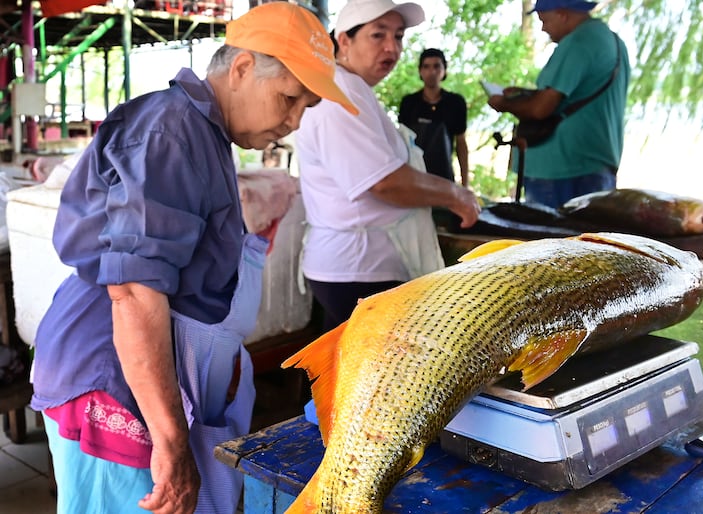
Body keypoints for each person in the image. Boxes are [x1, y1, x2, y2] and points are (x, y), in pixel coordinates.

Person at [29, 3, 357, 514]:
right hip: (112, 372)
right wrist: (172, 442)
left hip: (136, 369)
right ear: (243, 68)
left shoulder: (203, 133)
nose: (292, 122)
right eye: (289, 99)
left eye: (304, 109)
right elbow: (135, 292)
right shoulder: (172, 131)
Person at [295, 0, 481, 332]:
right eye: (378, 35)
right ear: (344, 40)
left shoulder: (355, 89)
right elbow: (385, 182)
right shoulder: (338, 94)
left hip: (366, 265)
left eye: (398, 36)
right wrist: (455, 195)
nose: (391, 48)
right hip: (356, 269)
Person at [488, 0, 630, 209]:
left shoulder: (578, 42)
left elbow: (541, 109)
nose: (544, 28)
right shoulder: (613, 42)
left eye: (544, 20)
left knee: (552, 239)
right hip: (597, 161)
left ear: (562, 14)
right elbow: (577, 94)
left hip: (560, 168)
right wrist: (526, 93)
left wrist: (504, 104)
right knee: (590, 238)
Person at [398, 48, 470, 186]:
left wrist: (465, 184)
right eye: (426, 66)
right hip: (414, 176)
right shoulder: (409, 103)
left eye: (437, 66)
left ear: (444, 70)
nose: (432, 72)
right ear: (420, 71)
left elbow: (461, 143)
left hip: (444, 177)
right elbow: (402, 141)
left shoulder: (455, 102)